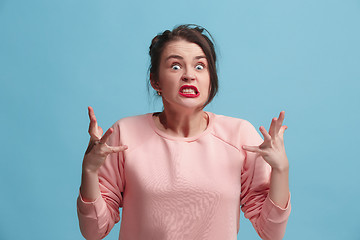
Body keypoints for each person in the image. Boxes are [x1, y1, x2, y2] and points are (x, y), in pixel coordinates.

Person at [77, 24, 291, 240]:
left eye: (200, 66)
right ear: (155, 80)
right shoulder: (124, 134)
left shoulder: (240, 136)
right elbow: (94, 231)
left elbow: (271, 232)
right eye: (176, 66)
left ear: (211, 78)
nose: (189, 75)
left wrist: (281, 169)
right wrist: (89, 171)